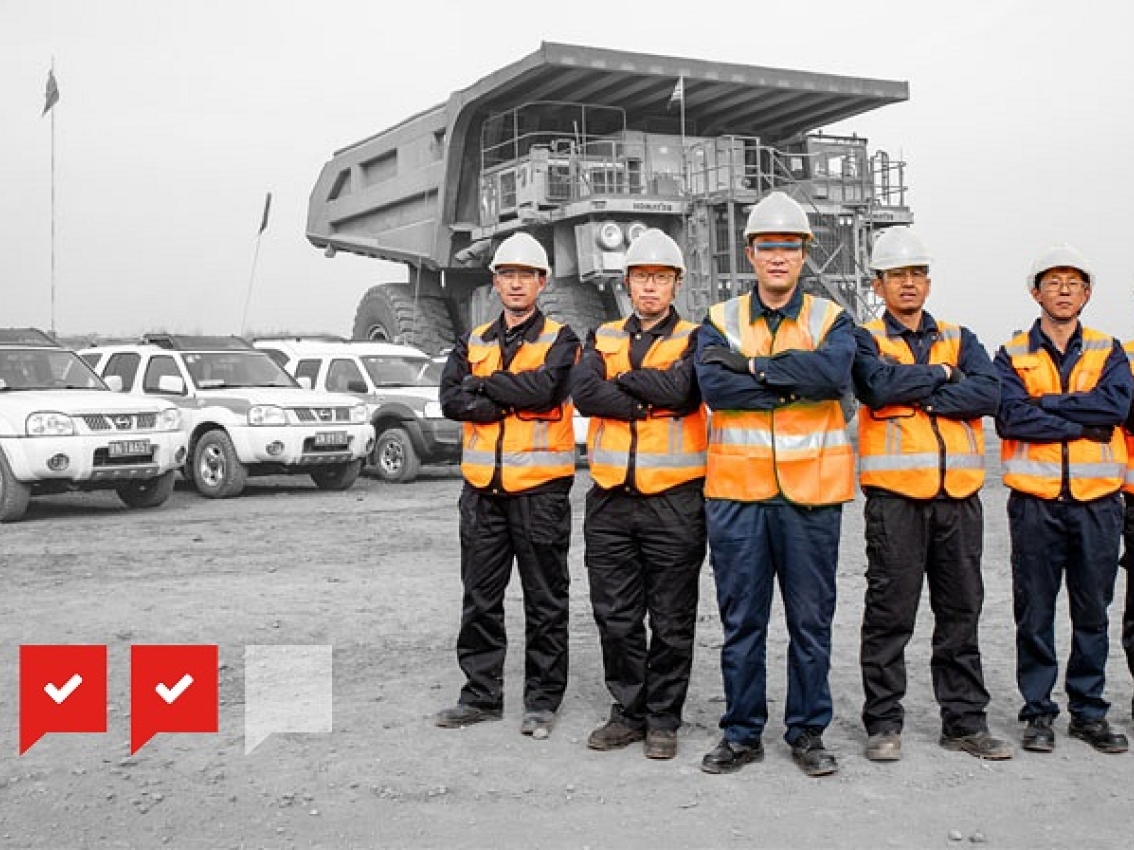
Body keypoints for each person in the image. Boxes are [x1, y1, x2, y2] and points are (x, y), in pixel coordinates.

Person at [694, 191, 855, 777]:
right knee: (743, 624)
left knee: (811, 624)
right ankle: (741, 734)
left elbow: (833, 373)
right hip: (738, 497)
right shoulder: (719, 321)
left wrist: (756, 369)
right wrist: (796, 382)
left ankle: (808, 734)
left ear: (805, 253)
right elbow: (716, 388)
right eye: (769, 246)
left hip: (811, 497)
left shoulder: (832, 320)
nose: (779, 256)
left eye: (790, 245)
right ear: (751, 254)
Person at [852, 227, 1011, 762]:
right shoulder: (863, 338)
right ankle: (883, 724)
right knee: (890, 614)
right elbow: (877, 387)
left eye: (917, 274)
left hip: (959, 498)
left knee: (961, 613)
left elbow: (988, 391)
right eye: (898, 275)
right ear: (879, 283)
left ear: (928, 280)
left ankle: (964, 723)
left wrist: (921, 387)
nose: (909, 284)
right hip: (896, 500)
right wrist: (944, 377)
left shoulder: (960, 335)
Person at [435, 231, 580, 739]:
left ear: (542, 282)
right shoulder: (473, 339)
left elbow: (544, 391)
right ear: (495, 282)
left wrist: (482, 383)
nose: (516, 284)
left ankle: (541, 701)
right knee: (479, 598)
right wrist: (498, 395)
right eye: (507, 275)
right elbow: (450, 400)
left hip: (540, 492)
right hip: (482, 493)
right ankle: (480, 695)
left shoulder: (562, 340)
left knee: (545, 600)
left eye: (526, 275)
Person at [571, 228, 708, 761]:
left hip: (674, 499)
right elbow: (585, 393)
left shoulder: (699, 338)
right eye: (641, 277)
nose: (649, 287)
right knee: (617, 614)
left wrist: (621, 383)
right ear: (626, 282)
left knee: (672, 617)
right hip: (609, 498)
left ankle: (663, 719)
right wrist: (644, 397)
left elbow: (684, 390)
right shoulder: (599, 334)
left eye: (660, 278)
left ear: (675, 284)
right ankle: (627, 710)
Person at [994, 244, 1132, 755]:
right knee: (1034, 612)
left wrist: (1046, 405)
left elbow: (1116, 406)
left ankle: (1089, 712)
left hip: (1098, 501)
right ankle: (1038, 713)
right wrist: (1082, 422)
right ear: (1036, 292)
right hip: (1036, 501)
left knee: (1092, 609)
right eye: (1054, 281)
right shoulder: (1011, 354)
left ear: (1088, 293)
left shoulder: (1108, 349)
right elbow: (1012, 417)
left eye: (1075, 282)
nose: (1065, 290)